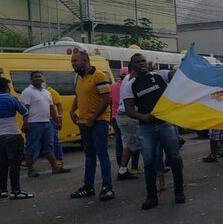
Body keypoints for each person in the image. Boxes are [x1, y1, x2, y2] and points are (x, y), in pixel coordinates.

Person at [122, 53, 184, 210]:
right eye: (138, 62)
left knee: (174, 158)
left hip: (165, 124)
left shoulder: (160, 76)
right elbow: (129, 109)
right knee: (149, 162)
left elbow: (175, 74)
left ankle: (179, 191)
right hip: (146, 128)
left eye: (143, 61)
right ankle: (151, 196)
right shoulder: (131, 85)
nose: (142, 64)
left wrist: (186, 63)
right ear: (133, 66)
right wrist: (142, 116)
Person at [69, 50, 114, 201]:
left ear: (86, 60)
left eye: (76, 61)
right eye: (72, 62)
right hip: (84, 121)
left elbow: (106, 99)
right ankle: (88, 186)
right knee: (89, 155)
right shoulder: (79, 78)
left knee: (102, 153)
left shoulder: (98, 75)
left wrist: (93, 118)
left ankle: (107, 187)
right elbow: (78, 95)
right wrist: (72, 109)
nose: (73, 64)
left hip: (99, 121)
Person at [0, 76, 33, 200]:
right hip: (12, 134)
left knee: (2, 164)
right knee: (15, 164)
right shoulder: (11, 98)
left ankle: (2, 190)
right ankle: (16, 191)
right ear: (6, 87)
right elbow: (24, 112)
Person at [20, 71, 71, 177]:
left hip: (47, 123)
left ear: (42, 79)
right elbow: (25, 109)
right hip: (34, 124)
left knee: (49, 146)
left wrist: (57, 121)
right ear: (31, 79)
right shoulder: (27, 92)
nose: (38, 79)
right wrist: (25, 123)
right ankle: (31, 170)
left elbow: (52, 108)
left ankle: (55, 167)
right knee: (31, 147)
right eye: (35, 77)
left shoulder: (46, 92)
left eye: (39, 77)